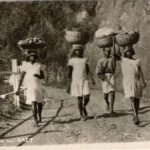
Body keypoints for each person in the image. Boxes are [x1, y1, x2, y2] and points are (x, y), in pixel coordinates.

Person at [116, 45, 146, 125]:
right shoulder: (123, 60)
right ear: (125, 53)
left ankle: (135, 113)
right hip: (128, 81)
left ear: (132, 52)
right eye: (127, 51)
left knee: (137, 99)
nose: (129, 52)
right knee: (132, 97)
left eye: (130, 51)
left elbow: (140, 72)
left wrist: (143, 81)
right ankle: (136, 117)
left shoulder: (137, 61)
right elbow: (115, 55)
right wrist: (115, 44)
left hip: (136, 81)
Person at [16, 51, 45, 127]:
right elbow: (21, 77)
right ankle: (35, 121)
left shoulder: (39, 65)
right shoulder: (25, 66)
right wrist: (18, 88)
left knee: (39, 103)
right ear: (28, 57)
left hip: (38, 86)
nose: (32, 58)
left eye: (34, 56)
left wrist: (38, 76)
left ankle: (40, 116)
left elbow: (43, 76)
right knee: (33, 102)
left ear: (36, 58)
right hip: (30, 86)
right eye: (31, 56)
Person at [67, 44, 95, 121]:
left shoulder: (85, 59)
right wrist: (69, 85)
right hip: (76, 81)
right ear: (74, 51)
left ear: (81, 51)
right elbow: (69, 73)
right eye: (76, 50)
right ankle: (81, 115)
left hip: (85, 80)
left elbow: (88, 70)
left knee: (87, 97)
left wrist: (92, 79)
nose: (78, 51)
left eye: (79, 50)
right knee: (79, 98)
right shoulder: (71, 60)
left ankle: (83, 107)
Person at [96, 47, 116, 114]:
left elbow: (114, 67)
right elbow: (98, 70)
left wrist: (113, 59)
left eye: (109, 51)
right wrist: (101, 76)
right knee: (105, 96)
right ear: (104, 51)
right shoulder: (101, 60)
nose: (108, 52)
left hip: (111, 75)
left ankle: (111, 109)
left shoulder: (112, 59)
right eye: (107, 51)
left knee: (112, 92)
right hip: (105, 77)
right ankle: (107, 103)